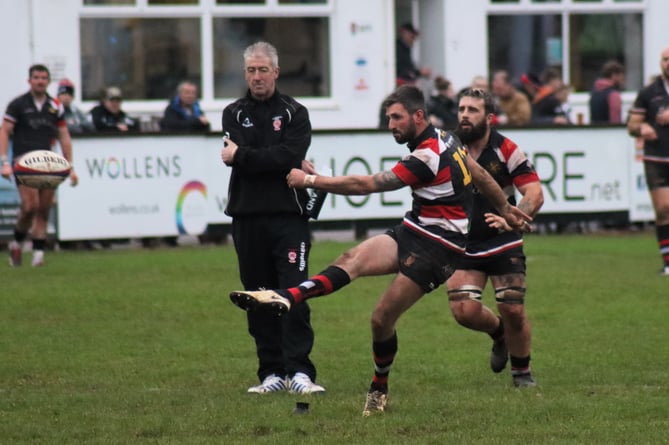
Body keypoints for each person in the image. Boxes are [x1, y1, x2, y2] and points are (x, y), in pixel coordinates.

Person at [228, 85, 531, 415]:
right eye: (388, 118)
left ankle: (378, 388)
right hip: (415, 229)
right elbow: (480, 174)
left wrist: (310, 182)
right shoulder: (446, 137)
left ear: (418, 116)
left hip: (441, 247)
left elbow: (365, 185)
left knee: (381, 319)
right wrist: (505, 206)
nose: (391, 125)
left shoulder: (427, 154)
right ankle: (287, 296)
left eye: (397, 118)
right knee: (351, 259)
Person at [220, 41, 325, 395]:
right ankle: (271, 373)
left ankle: (301, 372)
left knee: (293, 293)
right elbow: (276, 158)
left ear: (276, 72)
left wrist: (244, 156)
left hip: (288, 217)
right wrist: (272, 159)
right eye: (251, 70)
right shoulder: (233, 112)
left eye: (263, 70)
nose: (257, 76)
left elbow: (287, 155)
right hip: (247, 217)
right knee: (257, 296)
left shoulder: (296, 112)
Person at [446, 88, 544, 388]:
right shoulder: (446, 147)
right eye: (461, 109)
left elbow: (535, 193)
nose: (464, 115)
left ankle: (522, 372)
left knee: (513, 309)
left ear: (489, 117)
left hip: (503, 240)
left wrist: (513, 217)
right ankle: (499, 334)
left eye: (472, 110)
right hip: (462, 241)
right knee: (465, 311)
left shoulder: (507, 149)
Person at [0, 64, 79, 267]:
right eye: (36, 77)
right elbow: (5, 131)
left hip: (48, 161)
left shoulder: (55, 106)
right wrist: (4, 162)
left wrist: (69, 165)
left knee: (43, 209)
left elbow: (63, 134)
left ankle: (38, 256)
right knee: (30, 206)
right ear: (29, 80)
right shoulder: (18, 104)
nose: (40, 81)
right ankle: (17, 243)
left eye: (44, 78)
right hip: (23, 160)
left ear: (48, 81)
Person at [627, 46, 669, 276]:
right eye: (664, 59)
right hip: (656, 157)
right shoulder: (648, 92)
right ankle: (668, 262)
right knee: (663, 209)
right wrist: (641, 127)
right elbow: (631, 125)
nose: (667, 63)